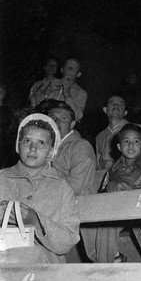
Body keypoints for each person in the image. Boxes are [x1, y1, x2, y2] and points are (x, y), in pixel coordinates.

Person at [0, 113, 80, 281]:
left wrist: (34, 220)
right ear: (18, 145)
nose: (33, 148)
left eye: (41, 143)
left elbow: (67, 241)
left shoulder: (61, 187)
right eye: (27, 141)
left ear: (52, 151)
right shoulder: (1, 178)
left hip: (44, 270)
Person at [94, 123, 141, 263]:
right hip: (116, 212)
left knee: (108, 225)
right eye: (126, 141)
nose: (131, 146)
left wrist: (128, 191)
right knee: (88, 227)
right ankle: (113, 257)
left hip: (140, 212)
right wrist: (112, 188)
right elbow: (102, 193)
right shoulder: (113, 170)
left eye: (136, 141)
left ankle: (107, 264)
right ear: (119, 147)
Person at [48, 102, 97, 261]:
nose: (56, 121)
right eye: (52, 118)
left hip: (79, 206)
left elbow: (74, 187)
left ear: (72, 124)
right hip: (56, 207)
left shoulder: (80, 146)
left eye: (62, 118)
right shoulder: (46, 147)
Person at [95, 95, 129, 171]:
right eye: (112, 103)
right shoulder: (100, 136)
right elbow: (98, 166)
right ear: (105, 110)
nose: (116, 106)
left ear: (125, 112)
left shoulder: (134, 131)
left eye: (120, 104)